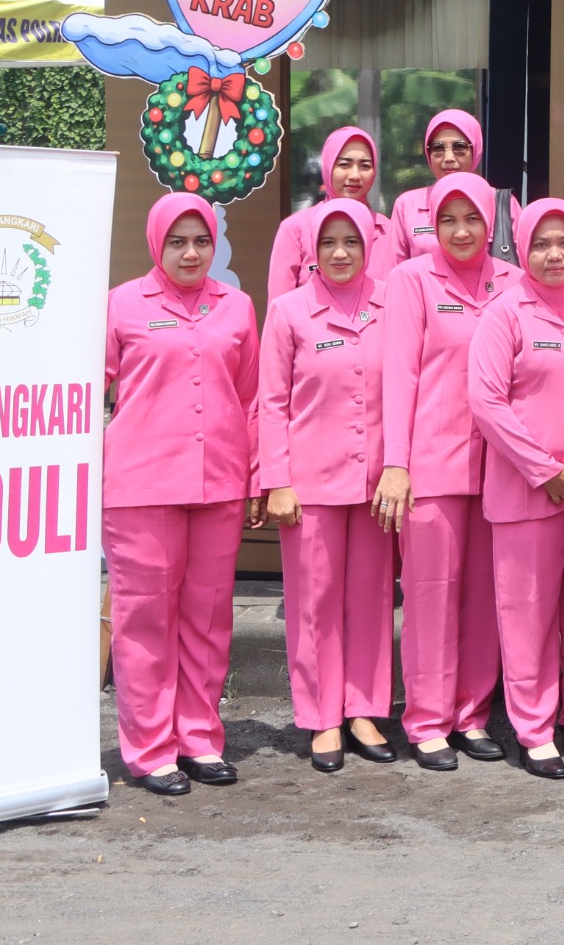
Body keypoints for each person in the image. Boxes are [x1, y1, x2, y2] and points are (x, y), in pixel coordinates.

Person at [102, 192, 260, 796]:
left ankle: (199, 737)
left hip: (218, 481)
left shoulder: (238, 308)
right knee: (144, 619)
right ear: (156, 244)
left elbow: (250, 400)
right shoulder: (121, 305)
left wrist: (253, 476)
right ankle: (148, 748)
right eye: (178, 241)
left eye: (201, 241)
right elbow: (92, 383)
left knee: (208, 616)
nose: (191, 252)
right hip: (141, 486)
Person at [468, 199, 564, 778]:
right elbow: (487, 401)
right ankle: (534, 727)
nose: (554, 254)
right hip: (524, 488)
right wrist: (544, 469)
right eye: (540, 244)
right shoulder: (504, 311)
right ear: (523, 250)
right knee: (526, 610)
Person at [379, 171, 519, 771]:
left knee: (489, 596)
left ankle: (473, 714)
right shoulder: (411, 279)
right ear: (430, 223)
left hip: (503, 467)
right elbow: (399, 374)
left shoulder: (513, 281)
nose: (462, 232)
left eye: (473, 219)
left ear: (492, 221)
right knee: (432, 594)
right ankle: (429, 718)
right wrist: (396, 464)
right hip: (432, 462)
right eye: (448, 220)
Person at [257, 199, 398, 771]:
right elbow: (269, 401)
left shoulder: (393, 303)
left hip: (377, 481)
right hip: (310, 483)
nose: (341, 253)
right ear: (311, 250)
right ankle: (322, 716)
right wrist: (276, 479)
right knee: (315, 602)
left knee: (372, 598)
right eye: (329, 243)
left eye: (353, 242)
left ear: (369, 245)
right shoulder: (290, 311)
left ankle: (363, 708)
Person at [268, 125, 399, 299]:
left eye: (364, 166)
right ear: (328, 166)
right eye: (344, 164)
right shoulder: (295, 229)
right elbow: (278, 308)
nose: (354, 175)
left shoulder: (390, 232)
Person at [389, 108, 487, 262]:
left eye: (459, 147)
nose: (448, 158)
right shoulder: (407, 205)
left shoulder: (501, 204)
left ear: (475, 149)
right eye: (438, 148)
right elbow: (395, 271)